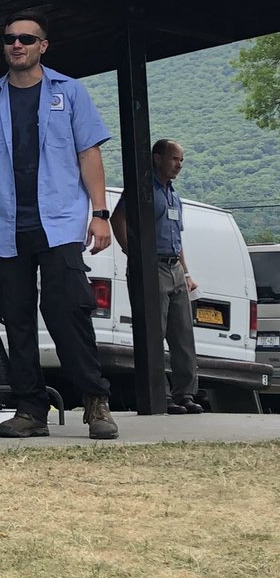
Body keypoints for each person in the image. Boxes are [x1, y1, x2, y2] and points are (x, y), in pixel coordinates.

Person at [0, 11, 119, 440]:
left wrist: (100, 215)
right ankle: (31, 408)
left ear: (43, 45)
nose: (17, 45)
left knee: (68, 312)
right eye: (10, 38)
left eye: (27, 38)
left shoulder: (70, 91)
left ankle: (95, 401)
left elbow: (89, 153)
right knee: (16, 318)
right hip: (7, 226)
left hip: (62, 222)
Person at [111, 139, 203, 415]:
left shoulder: (173, 195)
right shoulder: (143, 189)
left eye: (181, 161)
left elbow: (178, 236)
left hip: (174, 266)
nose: (179, 165)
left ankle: (185, 393)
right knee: (154, 331)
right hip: (151, 265)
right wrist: (133, 252)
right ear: (157, 158)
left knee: (182, 333)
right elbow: (118, 218)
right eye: (174, 159)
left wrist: (186, 272)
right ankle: (160, 394)